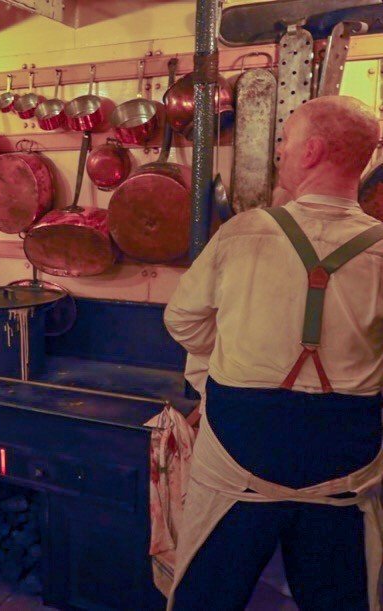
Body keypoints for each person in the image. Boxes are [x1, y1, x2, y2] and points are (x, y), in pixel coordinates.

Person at [163, 95, 383, 610]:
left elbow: (183, 321)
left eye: (285, 141)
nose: (279, 152)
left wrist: (235, 353)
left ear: (311, 151)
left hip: (242, 447)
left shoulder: (243, 234)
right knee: (341, 597)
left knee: (207, 595)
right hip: (347, 456)